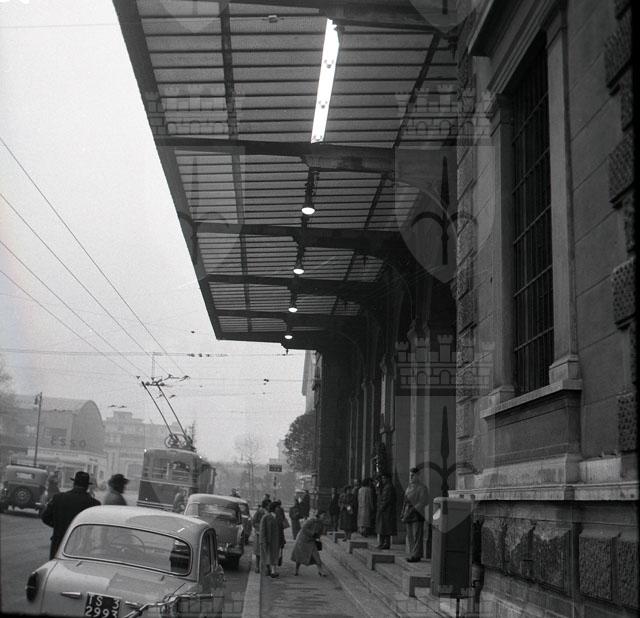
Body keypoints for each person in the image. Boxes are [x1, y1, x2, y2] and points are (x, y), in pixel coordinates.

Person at [41, 470, 100, 559]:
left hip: (59, 542)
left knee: (56, 565)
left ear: (74, 483)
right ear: (87, 486)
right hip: (80, 548)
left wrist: (58, 525)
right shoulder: (93, 504)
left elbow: (45, 517)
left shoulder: (58, 498)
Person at [401, 467, 429, 562]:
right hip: (408, 513)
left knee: (417, 535)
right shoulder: (409, 487)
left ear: (418, 476)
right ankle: (412, 553)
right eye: (410, 475)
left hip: (417, 514)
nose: (411, 477)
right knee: (410, 535)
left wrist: (413, 509)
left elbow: (423, 501)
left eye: (413, 475)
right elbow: (405, 501)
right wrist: (403, 512)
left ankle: (416, 555)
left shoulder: (422, 488)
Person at [290, 510, 328, 577]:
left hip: (311, 542)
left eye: (325, 515)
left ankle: (321, 571)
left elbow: (320, 533)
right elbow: (304, 528)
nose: (324, 517)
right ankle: (296, 570)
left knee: (316, 556)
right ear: (319, 515)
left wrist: (318, 536)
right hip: (303, 540)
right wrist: (312, 533)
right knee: (299, 556)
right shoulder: (311, 521)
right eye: (323, 515)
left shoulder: (321, 524)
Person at [259, 501, 280, 577]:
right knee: (266, 556)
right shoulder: (266, 517)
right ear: (274, 508)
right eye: (278, 508)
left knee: (273, 556)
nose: (279, 509)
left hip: (275, 541)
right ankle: (268, 571)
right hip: (267, 541)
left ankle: (273, 571)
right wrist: (263, 541)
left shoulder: (277, 517)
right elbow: (262, 530)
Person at [375, 473, 396, 550]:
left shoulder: (389, 487)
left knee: (386, 528)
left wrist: (381, 507)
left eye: (384, 478)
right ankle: (382, 543)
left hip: (386, 511)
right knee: (382, 528)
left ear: (388, 479)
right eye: (382, 478)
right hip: (383, 510)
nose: (383, 480)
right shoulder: (384, 487)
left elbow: (387, 499)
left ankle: (386, 543)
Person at [252, 498, 269, 573]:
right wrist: (259, 528)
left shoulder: (265, 512)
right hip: (259, 533)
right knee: (259, 552)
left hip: (263, 533)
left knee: (261, 551)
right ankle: (258, 567)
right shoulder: (260, 511)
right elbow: (254, 521)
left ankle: (261, 567)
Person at [273, 499, 289, 565]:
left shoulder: (275, 510)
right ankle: (279, 560)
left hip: (276, 533)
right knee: (280, 548)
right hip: (280, 531)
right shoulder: (281, 509)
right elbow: (283, 517)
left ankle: (276, 560)